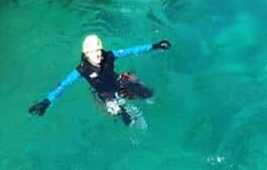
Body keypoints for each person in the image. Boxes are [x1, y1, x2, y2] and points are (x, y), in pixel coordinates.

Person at [28, 35, 171, 125]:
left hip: (117, 81)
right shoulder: (82, 69)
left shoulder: (109, 56)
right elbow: (63, 85)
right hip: (104, 93)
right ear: (85, 54)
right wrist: (47, 102)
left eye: (97, 50)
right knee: (124, 117)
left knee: (143, 90)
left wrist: (155, 46)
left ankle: (153, 101)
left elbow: (132, 50)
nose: (96, 55)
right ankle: (129, 118)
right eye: (91, 52)